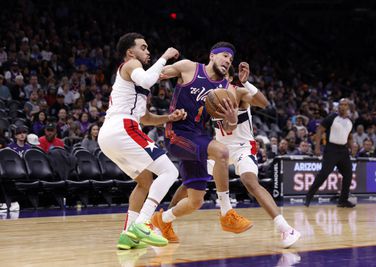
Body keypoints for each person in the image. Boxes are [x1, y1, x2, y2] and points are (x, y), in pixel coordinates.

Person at [154, 63, 300, 248]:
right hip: (219, 148)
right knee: (189, 184)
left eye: (223, 79)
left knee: (250, 182)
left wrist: (247, 83)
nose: (218, 82)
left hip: (242, 147)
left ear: (230, 79)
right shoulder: (210, 97)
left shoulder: (239, 92)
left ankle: (284, 228)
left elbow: (263, 103)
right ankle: (164, 222)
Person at [150, 43, 256, 244]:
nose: (228, 61)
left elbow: (229, 127)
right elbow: (153, 76)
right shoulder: (189, 67)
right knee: (221, 152)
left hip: (198, 137)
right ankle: (227, 213)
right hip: (177, 133)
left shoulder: (226, 89)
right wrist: (161, 62)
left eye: (231, 60)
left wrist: (232, 117)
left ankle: (162, 220)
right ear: (212, 56)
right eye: (225, 56)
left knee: (195, 201)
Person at [97, 32, 186, 249]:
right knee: (170, 171)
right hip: (122, 128)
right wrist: (165, 56)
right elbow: (148, 79)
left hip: (110, 135)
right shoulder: (131, 64)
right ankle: (143, 222)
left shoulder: (133, 81)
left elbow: (145, 118)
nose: (147, 51)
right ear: (130, 52)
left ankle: (128, 234)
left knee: (145, 181)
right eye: (143, 47)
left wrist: (168, 118)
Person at [305, 98, 355, 208]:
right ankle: (309, 196)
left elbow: (350, 136)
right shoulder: (332, 117)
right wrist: (317, 147)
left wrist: (352, 147)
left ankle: (343, 200)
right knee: (324, 174)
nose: (342, 106)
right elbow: (319, 130)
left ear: (348, 107)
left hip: (343, 151)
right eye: (341, 104)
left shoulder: (350, 121)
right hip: (331, 149)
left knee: (348, 174)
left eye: (345, 104)